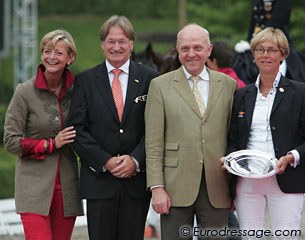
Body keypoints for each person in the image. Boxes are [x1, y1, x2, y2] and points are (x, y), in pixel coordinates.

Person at [67, 15, 159, 240]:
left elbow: (157, 128)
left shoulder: (151, 79)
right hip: (99, 182)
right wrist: (105, 161)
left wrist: (136, 159)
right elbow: (77, 129)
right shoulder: (85, 81)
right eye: (111, 41)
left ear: (131, 44)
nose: (116, 47)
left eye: (122, 41)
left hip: (136, 181)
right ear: (102, 44)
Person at [145, 23, 237, 240]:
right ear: (177, 51)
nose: (191, 54)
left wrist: (234, 185)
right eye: (185, 48)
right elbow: (154, 141)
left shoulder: (228, 85)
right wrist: (157, 187)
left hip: (217, 185)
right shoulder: (160, 85)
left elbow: (233, 137)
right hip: (174, 186)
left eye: (197, 47)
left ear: (209, 49)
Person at [3, 29, 83, 239]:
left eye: (58, 52)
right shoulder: (24, 92)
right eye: (47, 51)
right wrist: (49, 144)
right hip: (32, 187)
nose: (51, 57)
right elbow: (10, 141)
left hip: (67, 188)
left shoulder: (80, 91)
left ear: (70, 57)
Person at [225, 27, 305, 239]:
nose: (265, 55)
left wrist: (292, 157)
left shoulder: (300, 92)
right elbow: (233, 139)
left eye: (272, 50)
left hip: (286, 178)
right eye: (260, 50)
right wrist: (229, 159)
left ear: (283, 55)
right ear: (253, 55)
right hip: (247, 181)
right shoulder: (242, 94)